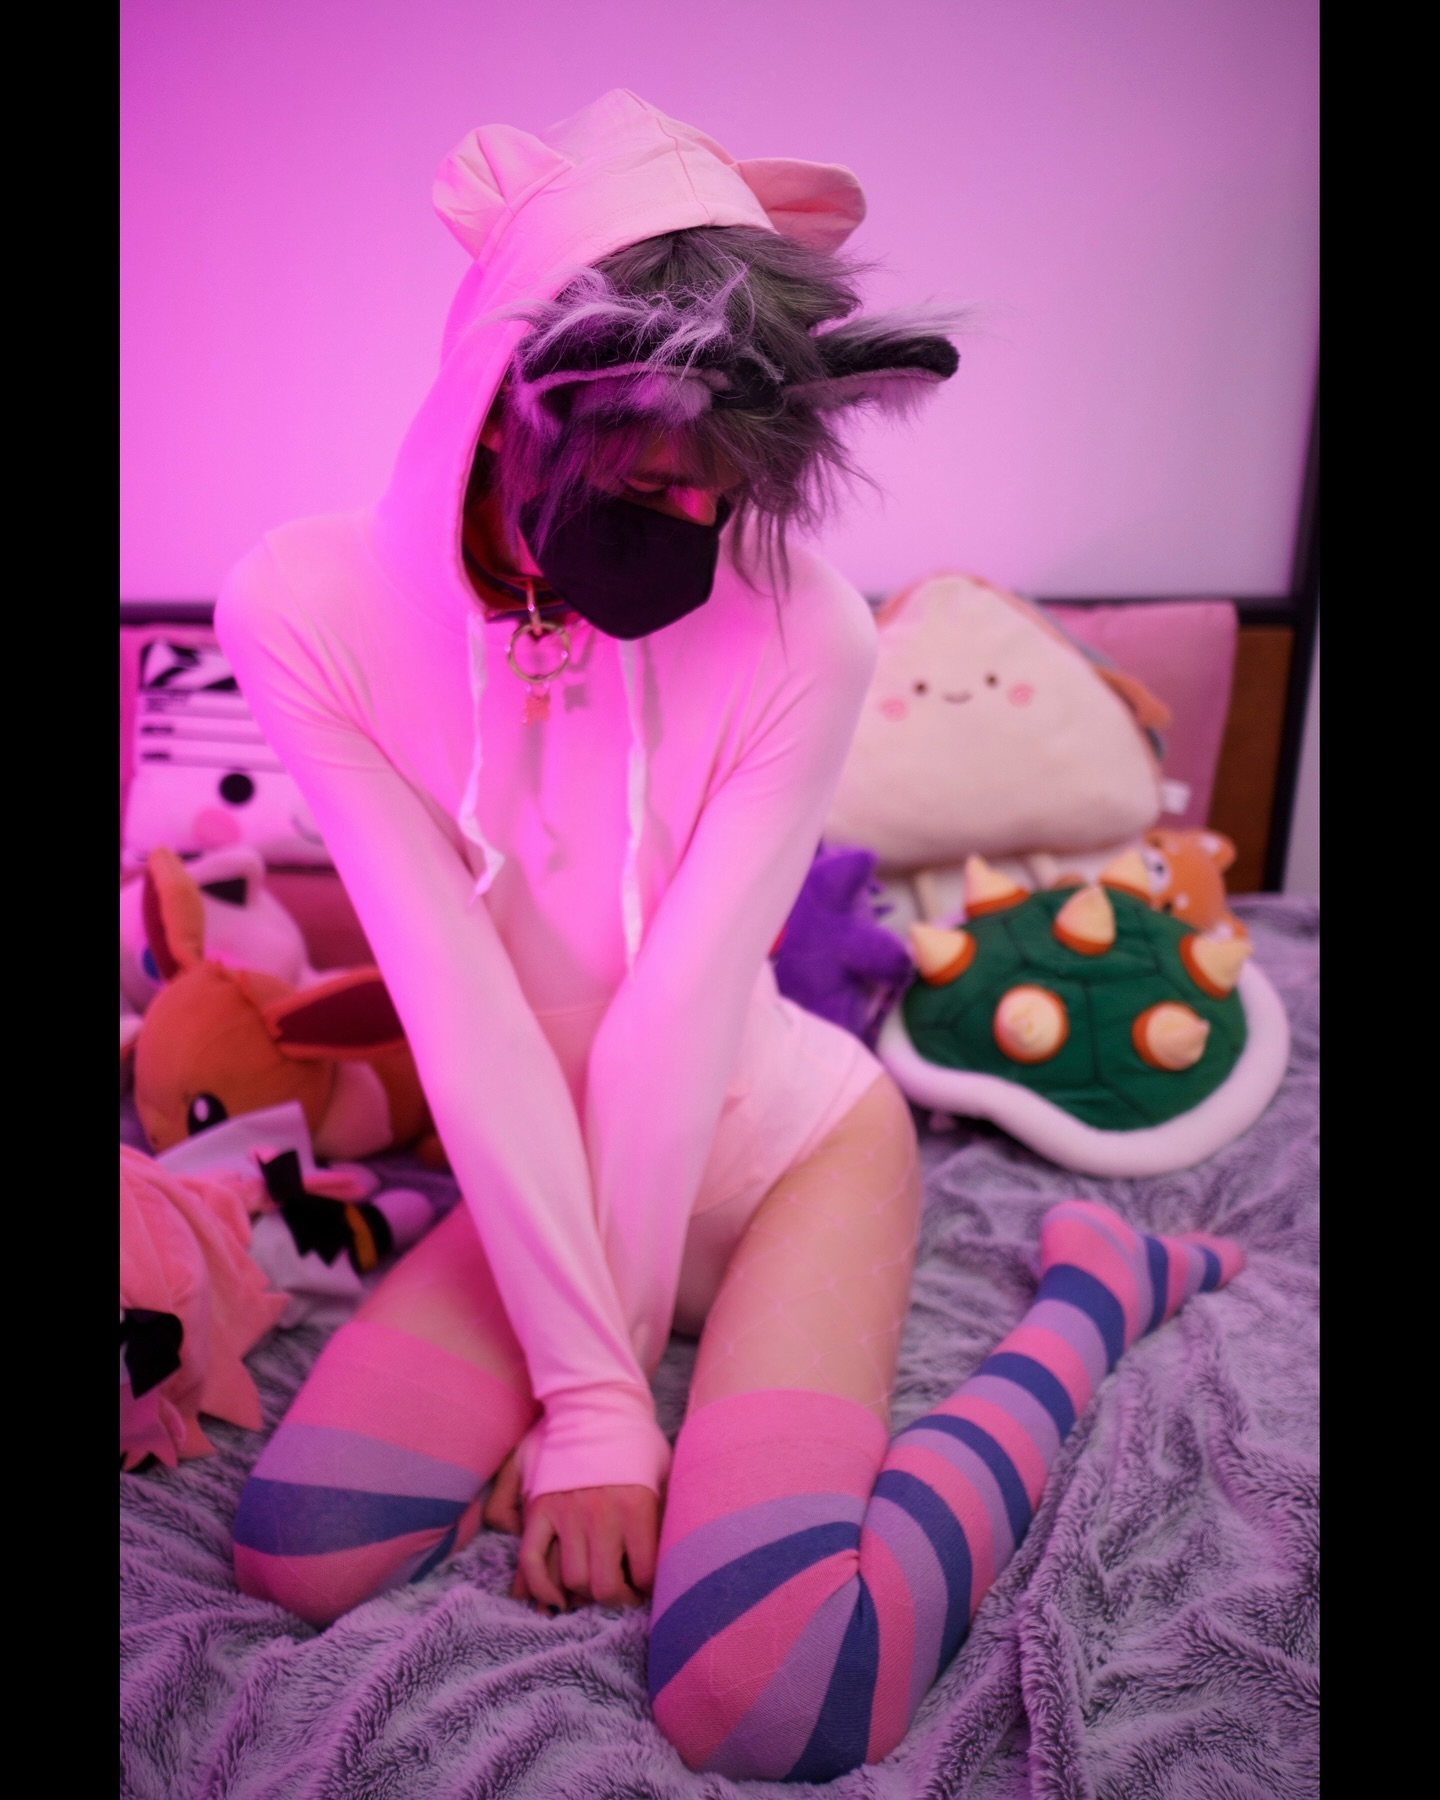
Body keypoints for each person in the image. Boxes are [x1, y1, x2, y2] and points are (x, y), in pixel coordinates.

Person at [218, 91, 1243, 1781]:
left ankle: (1089, 1302)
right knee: (298, 1550)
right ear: (502, 405)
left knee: (769, 1691)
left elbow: (677, 1014)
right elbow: (461, 1012)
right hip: (547, 1151)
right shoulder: (311, 611)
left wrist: (600, 1406)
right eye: (645, 480)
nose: (688, 527)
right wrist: (591, 1387)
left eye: (723, 493)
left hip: (777, 1152)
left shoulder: (805, 636)